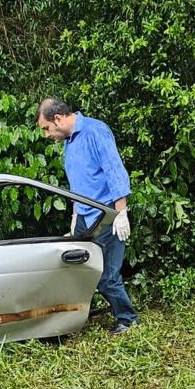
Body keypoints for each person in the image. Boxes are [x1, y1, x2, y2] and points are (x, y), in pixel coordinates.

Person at [36, 97, 138, 335]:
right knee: (80, 270)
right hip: (83, 216)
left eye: (46, 128)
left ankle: (128, 319)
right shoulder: (70, 142)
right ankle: (78, 318)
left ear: (58, 119)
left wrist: (121, 212)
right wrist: (75, 214)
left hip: (105, 215)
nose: (46, 134)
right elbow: (78, 183)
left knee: (106, 276)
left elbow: (114, 170)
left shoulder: (95, 131)